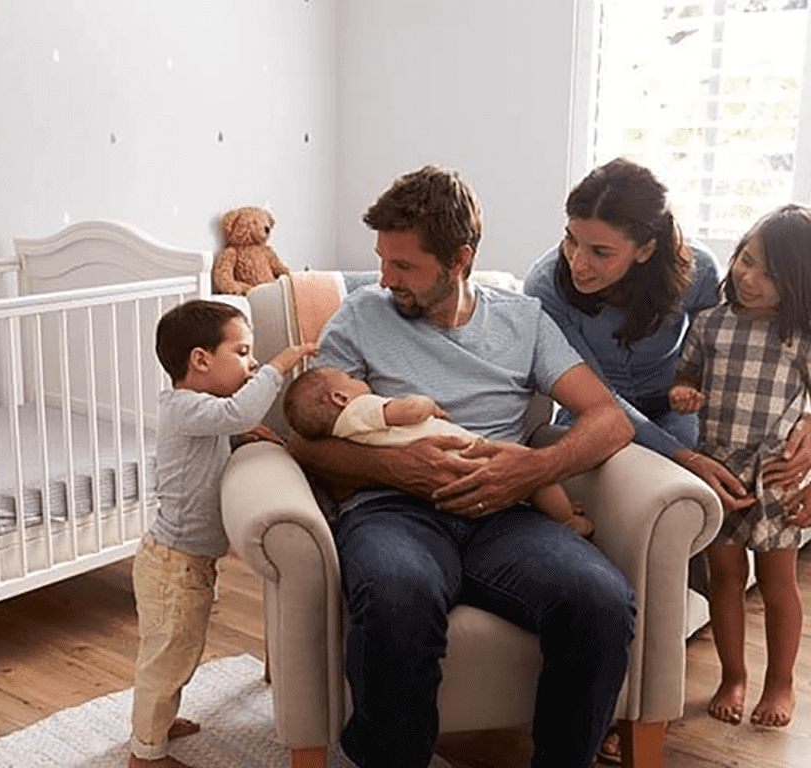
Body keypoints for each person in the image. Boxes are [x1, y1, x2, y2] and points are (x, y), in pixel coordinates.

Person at [287, 165, 636, 768]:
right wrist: (402, 470)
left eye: (404, 267)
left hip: (504, 511)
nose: (385, 279)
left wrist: (529, 471)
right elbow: (308, 442)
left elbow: (609, 419)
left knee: (600, 601)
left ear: (459, 259)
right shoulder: (360, 317)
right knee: (397, 596)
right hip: (391, 510)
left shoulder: (522, 322)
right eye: (382, 261)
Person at [522, 158, 811, 763]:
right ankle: (598, 700)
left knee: (692, 508)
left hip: (674, 411)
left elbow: (767, 341)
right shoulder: (546, 287)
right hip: (593, 416)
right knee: (639, 502)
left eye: (601, 251)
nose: (578, 261)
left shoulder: (701, 272)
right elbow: (597, 404)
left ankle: (658, 687)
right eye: (571, 240)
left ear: (648, 248)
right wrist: (682, 453)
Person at [129, 299, 315, 768]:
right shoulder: (185, 406)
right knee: (167, 657)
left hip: (184, 562)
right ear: (200, 360)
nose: (251, 362)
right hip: (173, 565)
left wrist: (240, 438)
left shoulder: (199, 411)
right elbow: (235, 412)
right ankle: (145, 754)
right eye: (244, 351)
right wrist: (277, 366)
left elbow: (224, 429)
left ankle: (158, 721)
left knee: (178, 652)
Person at [669, 204, 811, 728]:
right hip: (721, 473)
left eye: (770, 274)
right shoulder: (709, 324)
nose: (749, 278)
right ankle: (733, 675)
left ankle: (780, 684)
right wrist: (683, 394)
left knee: (778, 586)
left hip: (775, 478)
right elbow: (685, 379)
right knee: (724, 578)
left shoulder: (800, 336)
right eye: (747, 260)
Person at [282, 365, 593, 536]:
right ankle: (566, 518)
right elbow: (407, 411)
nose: (357, 379)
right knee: (526, 468)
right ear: (339, 397)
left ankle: (556, 509)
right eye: (350, 378)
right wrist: (425, 404)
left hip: (438, 489)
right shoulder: (361, 409)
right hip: (460, 456)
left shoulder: (343, 429)